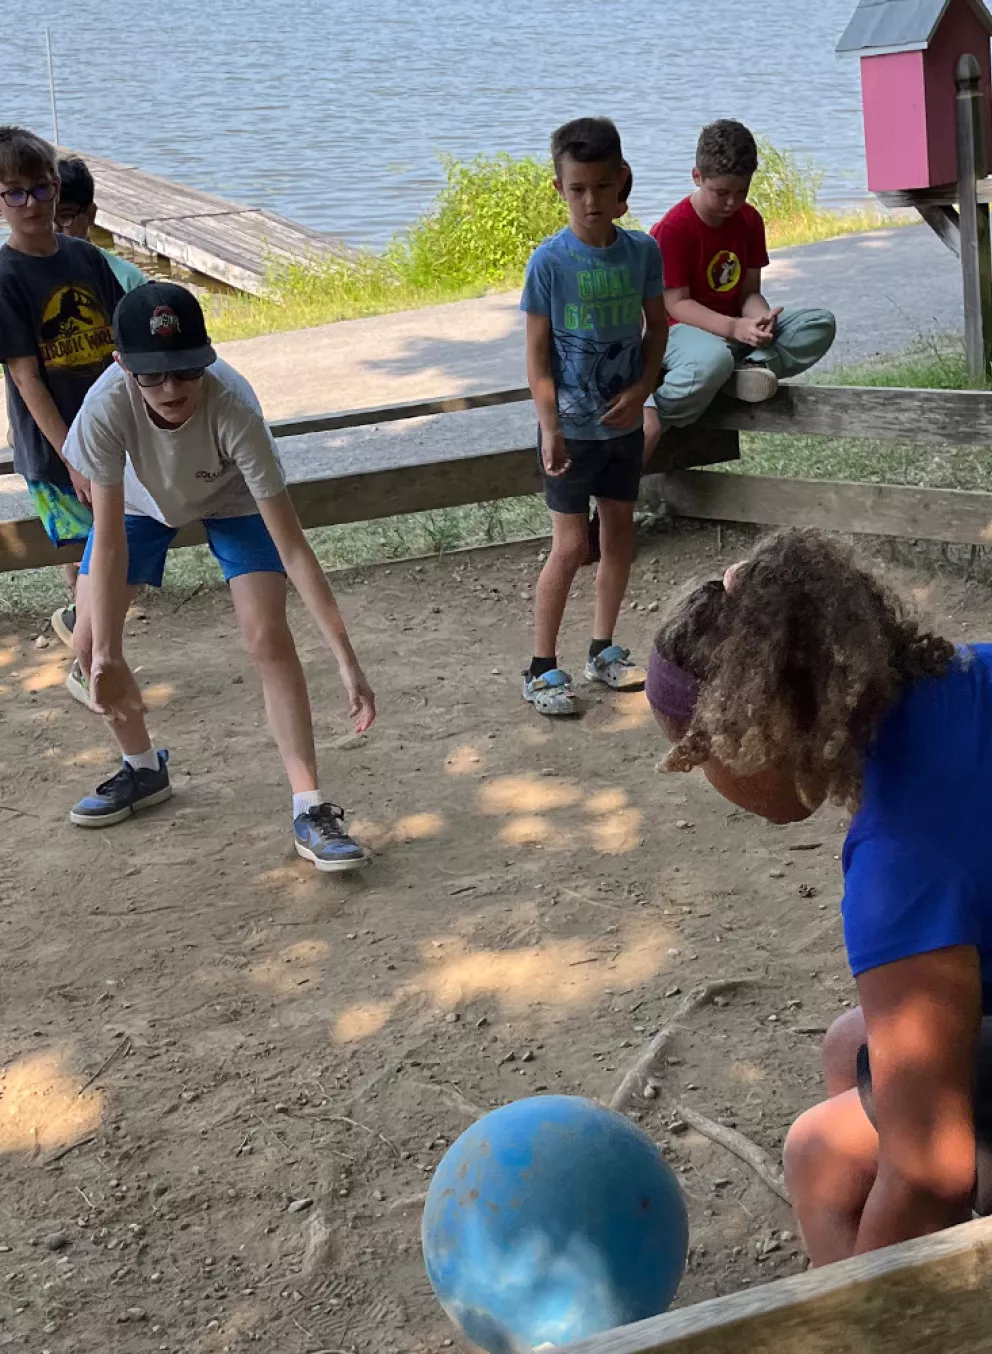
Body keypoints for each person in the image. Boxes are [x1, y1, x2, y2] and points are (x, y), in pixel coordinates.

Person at [645, 528, 992, 1262]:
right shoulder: (965, 679)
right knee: (851, 1047)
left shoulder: (900, 863)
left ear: (758, 732)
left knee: (819, 1156)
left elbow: (932, 1171)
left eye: (702, 758)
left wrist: (864, 1310)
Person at [62, 281, 375, 872]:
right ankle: (144, 769)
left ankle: (310, 809)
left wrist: (345, 655)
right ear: (121, 364)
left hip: (231, 496)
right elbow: (106, 538)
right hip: (138, 502)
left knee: (266, 635)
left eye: (185, 370)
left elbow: (293, 545)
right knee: (87, 643)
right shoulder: (106, 408)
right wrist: (101, 653)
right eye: (151, 375)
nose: (172, 388)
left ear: (206, 357)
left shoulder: (233, 405)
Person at [520, 119, 668, 715]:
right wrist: (550, 425)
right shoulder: (549, 263)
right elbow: (536, 358)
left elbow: (657, 325)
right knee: (570, 545)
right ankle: (541, 666)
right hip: (570, 431)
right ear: (559, 187)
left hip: (622, 428)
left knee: (619, 534)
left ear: (621, 184)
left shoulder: (642, 252)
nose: (591, 201)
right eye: (578, 188)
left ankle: (603, 650)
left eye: (602, 187)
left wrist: (643, 388)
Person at [0, 125, 123, 686]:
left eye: (42, 189)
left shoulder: (85, 258)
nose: (32, 203)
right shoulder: (6, 276)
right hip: (55, 450)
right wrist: (73, 456)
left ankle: (87, 639)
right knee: (89, 555)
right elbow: (26, 378)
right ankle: (88, 666)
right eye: (14, 192)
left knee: (111, 551)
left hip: (108, 436)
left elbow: (122, 346)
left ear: (57, 189)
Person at [643, 121, 836, 466]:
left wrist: (759, 319)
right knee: (711, 360)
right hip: (682, 329)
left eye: (742, 192)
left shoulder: (750, 221)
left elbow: (749, 292)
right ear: (697, 177)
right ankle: (660, 415)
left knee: (818, 324)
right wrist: (733, 328)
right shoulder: (674, 229)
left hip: (733, 331)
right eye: (721, 192)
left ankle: (742, 373)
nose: (732, 202)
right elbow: (675, 304)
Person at [55, 156, 149, 293]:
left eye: (65, 216)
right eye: (44, 218)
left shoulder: (128, 281)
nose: (54, 228)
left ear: (90, 214)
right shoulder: (24, 278)